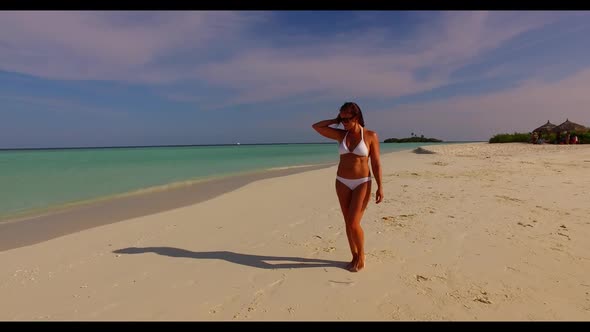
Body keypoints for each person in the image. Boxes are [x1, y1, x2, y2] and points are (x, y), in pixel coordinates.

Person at [312, 102, 383, 272]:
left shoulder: (370, 135)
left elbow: (376, 163)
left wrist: (380, 187)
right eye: (341, 118)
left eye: (347, 119)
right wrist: (336, 119)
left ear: (356, 117)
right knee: (347, 221)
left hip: (362, 182)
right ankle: (353, 255)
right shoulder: (340, 134)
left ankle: (362, 256)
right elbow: (316, 126)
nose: (344, 122)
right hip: (342, 181)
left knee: (353, 222)